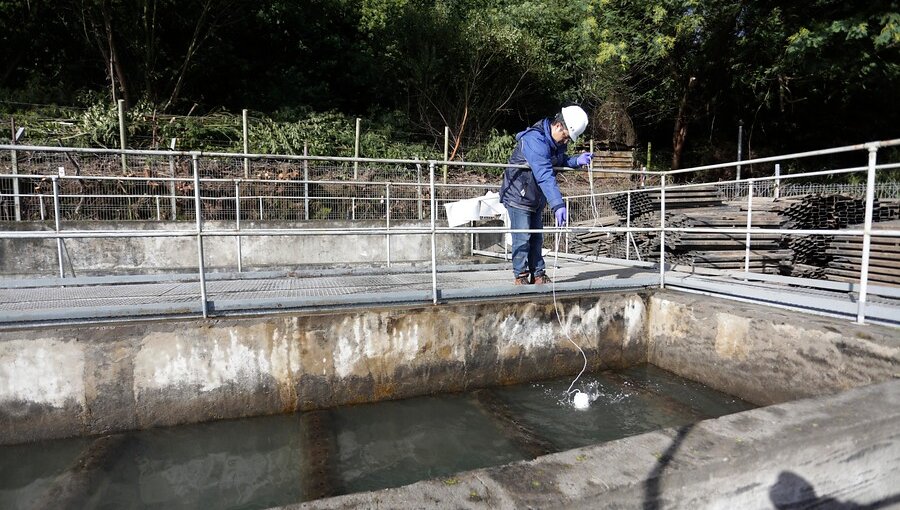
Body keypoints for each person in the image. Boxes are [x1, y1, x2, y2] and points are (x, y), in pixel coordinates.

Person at [499, 105, 592, 285]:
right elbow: (544, 173)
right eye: (566, 137)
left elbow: (559, 161)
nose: (566, 142)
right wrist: (557, 204)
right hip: (519, 195)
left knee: (537, 237)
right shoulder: (534, 140)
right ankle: (521, 276)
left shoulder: (553, 143)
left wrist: (576, 161)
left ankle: (539, 274)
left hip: (535, 197)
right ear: (558, 126)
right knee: (522, 237)